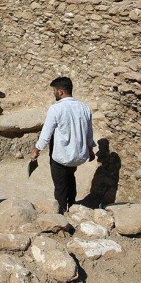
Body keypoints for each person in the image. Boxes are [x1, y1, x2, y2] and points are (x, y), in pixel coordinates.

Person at [31, 77, 96, 214]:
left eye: (54, 91)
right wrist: (90, 150)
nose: (53, 93)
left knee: (60, 186)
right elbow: (89, 132)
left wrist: (36, 150)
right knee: (70, 178)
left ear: (60, 92)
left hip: (61, 156)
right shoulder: (85, 107)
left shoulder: (56, 109)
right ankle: (72, 207)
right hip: (78, 156)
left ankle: (60, 213)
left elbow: (46, 135)